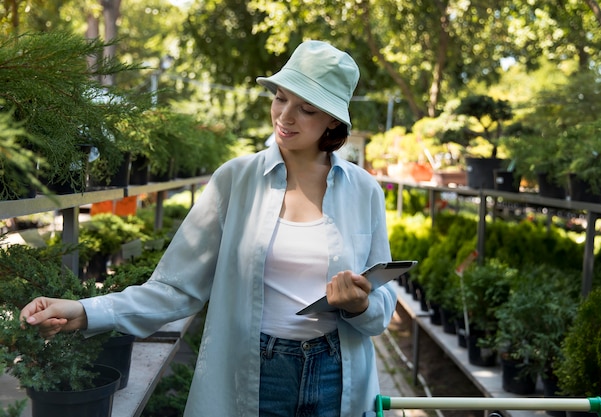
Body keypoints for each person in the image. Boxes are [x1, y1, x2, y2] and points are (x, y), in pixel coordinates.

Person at [20, 40, 397, 417]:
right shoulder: (235, 180)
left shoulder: (364, 191)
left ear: (333, 120)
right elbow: (174, 289)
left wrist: (360, 304)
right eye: (281, 98)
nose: (285, 116)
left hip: (337, 373)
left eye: (306, 108)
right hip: (256, 373)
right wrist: (85, 311)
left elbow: (382, 304)